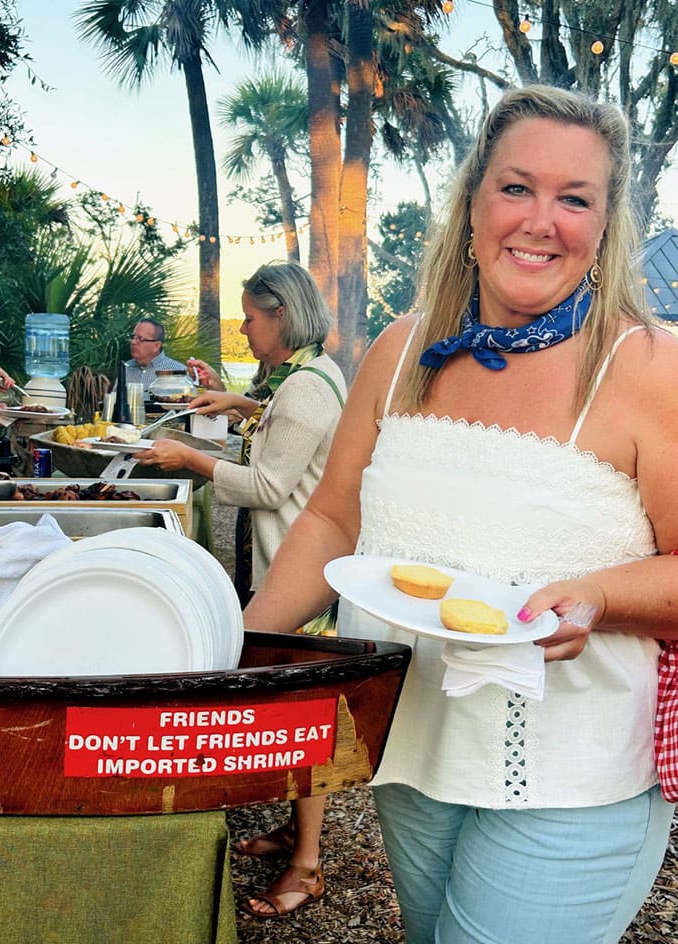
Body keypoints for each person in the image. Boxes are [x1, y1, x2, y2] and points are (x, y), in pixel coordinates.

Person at [240, 85, 678, 944]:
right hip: (413, 750)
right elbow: (333, 518)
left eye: (575, 198)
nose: (540, 220)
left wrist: (597, 594)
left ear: (604, 225)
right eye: (517, 187)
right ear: (473, 199)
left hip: (575, 778)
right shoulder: (401, 349)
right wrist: (236, 644)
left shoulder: (648, 368)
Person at [138, 261, 346, 918]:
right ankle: (294, 832)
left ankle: (308, 868)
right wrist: (241, 406)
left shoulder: (307, 388)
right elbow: (290, 433)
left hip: (301, 573)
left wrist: (192, 459)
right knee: (292, 704)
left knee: (305, 715)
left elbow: (267, 485)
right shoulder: (306, 376)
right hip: (293, 562)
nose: (245, 329)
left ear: (280, 313)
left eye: (251, 318)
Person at [124, 318, 187, 389]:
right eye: (133, 337)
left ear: (157, 346)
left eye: (141, 339)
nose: (133, 342)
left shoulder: (178, 372)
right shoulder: (126, 368)